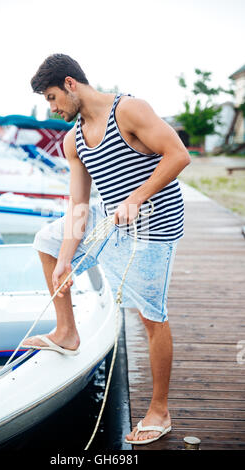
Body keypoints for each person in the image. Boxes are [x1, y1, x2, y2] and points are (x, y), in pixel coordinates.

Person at [22, 54, 191, 445]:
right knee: (47, 242)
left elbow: (178, 155)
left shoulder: (128, 109)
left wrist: (137, 198)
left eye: (51, 98)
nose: (52, 109)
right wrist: (65, 258)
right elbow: (79, 205)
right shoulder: (73, 140)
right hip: (109, 214)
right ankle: (67, 332)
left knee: (152, 317)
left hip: (154, 223)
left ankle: (160, 411)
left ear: (70, 83)